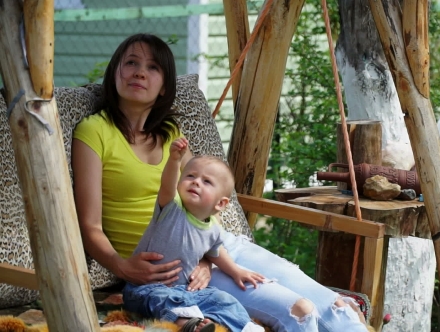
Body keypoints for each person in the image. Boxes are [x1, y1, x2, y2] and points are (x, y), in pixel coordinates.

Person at [72, 33, 369, 332]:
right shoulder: (94, 131)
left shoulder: (172, 133)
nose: (139, 72)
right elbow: (90, 226)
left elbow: (204, 205)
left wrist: (206, 259)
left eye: (152, 67)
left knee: (337, 308)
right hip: (174, 271)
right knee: (299, 312)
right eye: (131, 63)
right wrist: (122, 267)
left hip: (219, 249)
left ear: (164, 88)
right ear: (115, 74)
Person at [122, 140, 266, 332]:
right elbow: (167, 186)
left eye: (206, 182)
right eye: (190, 176)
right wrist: (174, 160)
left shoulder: (213, 229)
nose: (196, 182)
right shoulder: (171, 209)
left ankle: (244, 327)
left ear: (220, 204)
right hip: (144, 288)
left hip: (183, 290)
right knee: (164, 300)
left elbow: (215, 253)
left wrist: (235, 271)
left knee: (222, 299)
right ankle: (190, 326)